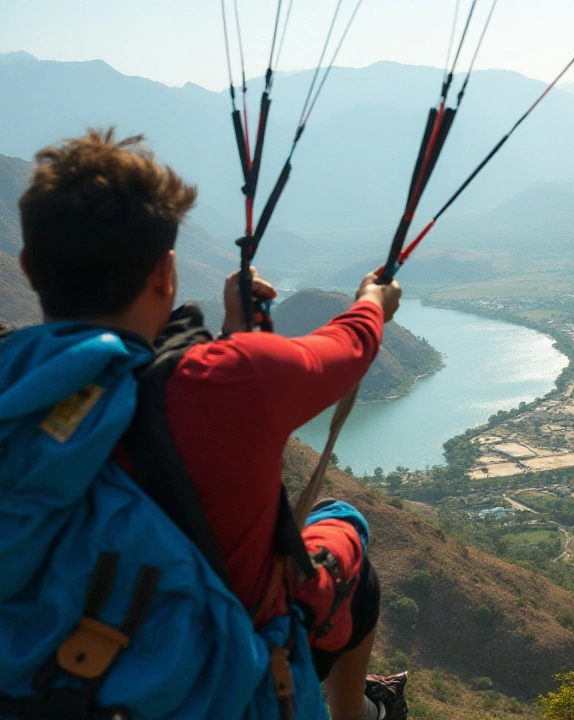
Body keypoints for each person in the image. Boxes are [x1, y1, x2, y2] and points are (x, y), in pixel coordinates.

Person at [10, 128, 407, 720]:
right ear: (166, 274)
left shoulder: (15, 389)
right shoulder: (227, 382)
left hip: (41, 684)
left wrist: (233, 336)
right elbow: (348, 348)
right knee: (346, 527)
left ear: (29, 270)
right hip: (217, 686)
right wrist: (373, 300)